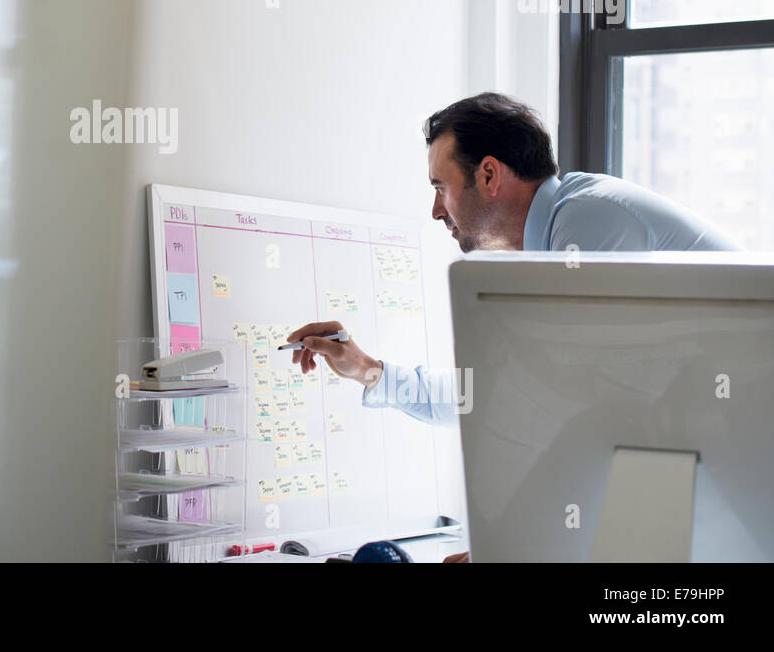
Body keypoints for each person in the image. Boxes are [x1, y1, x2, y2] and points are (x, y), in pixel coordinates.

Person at [285, 91, 741, 561]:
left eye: (440, 188)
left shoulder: (588, 221)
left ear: (488, 175)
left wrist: (501, 551)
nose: (436, 211)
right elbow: (493, 397)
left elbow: (581, 415)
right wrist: (367, 369)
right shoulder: (546, 256)